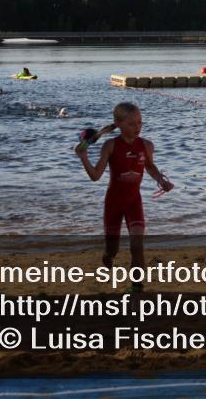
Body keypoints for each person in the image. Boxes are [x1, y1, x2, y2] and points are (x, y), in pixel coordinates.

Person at [76, 102, 173, 292]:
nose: (137, 128)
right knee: (113, 249)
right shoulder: (110, 145)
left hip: (133, 203)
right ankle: (108, 256)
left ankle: (137, 287)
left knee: (137, 246)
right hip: (113, 203)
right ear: (118, 123)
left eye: (140, 123)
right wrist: (84, 157)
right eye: (132, 124)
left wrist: (161, 179)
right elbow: (95, 176)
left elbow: (150, 167)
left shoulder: (146, 145)